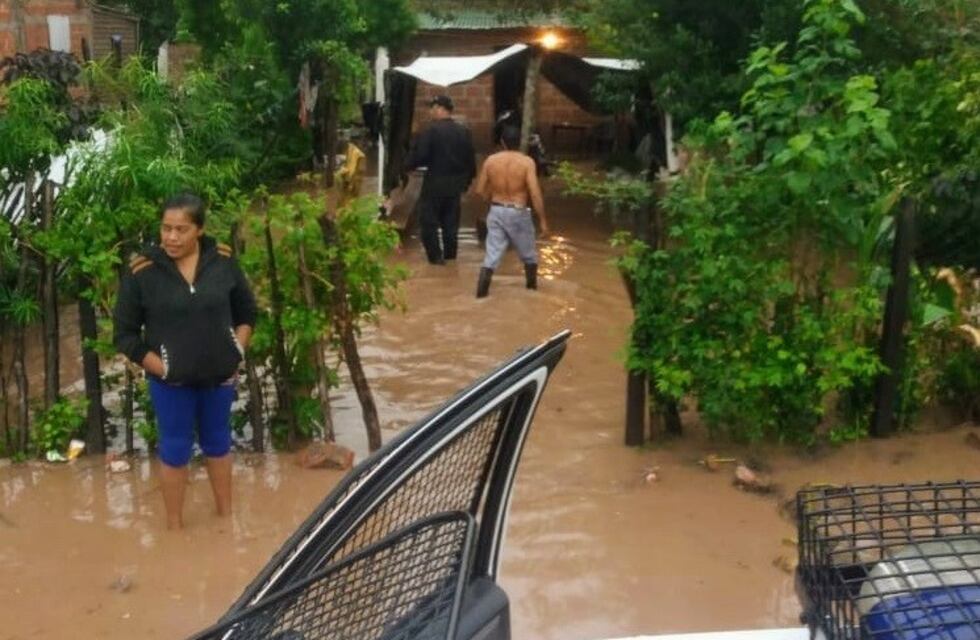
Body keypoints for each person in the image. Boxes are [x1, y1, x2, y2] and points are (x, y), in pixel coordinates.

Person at [113, 193, 257, 530]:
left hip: (219, 379)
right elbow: (125, 335)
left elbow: (247, 312)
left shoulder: (222, 261)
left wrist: (237, 351)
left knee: (218, 444)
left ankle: (225, 520)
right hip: (171, 384)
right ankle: (174, 529)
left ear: (200, 231)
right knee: (175, 449)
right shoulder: (142, 271)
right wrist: (163, 368)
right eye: (166, 229)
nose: (171, 238)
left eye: (181, 230)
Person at [474, 124, 551, 298]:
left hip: (496, 210)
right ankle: (531, 292)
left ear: (502, 142)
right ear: (520, 142)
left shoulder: (490, 161)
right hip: (518, 211)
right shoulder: (526, 162)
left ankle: (481, 295)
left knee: (492, 255)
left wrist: (493, 193)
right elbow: (535, 192)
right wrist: (543, 221)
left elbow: (479, 191)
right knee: (529, 255)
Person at [405, 94, 476, 264]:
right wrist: (467, 183)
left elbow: (421, 156)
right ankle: (451, 257)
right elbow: (470, 160)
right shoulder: (463, 131)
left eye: (432, 107)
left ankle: (436, 258)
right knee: (451, 224)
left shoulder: (431, 131)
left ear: (439, 108)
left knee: (428, 222)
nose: (430, 111)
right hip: (455, 186)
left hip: (434, 185)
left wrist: (407, 165)